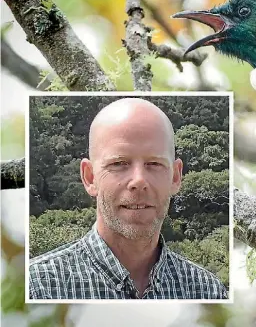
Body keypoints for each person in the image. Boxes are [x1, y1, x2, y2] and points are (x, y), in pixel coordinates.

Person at [29, 98, 228, 300]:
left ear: (175, 177)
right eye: (119, 163)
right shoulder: (38, 288)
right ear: (90, 177)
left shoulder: (207, 291)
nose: (139, 180)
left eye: (154, 164)